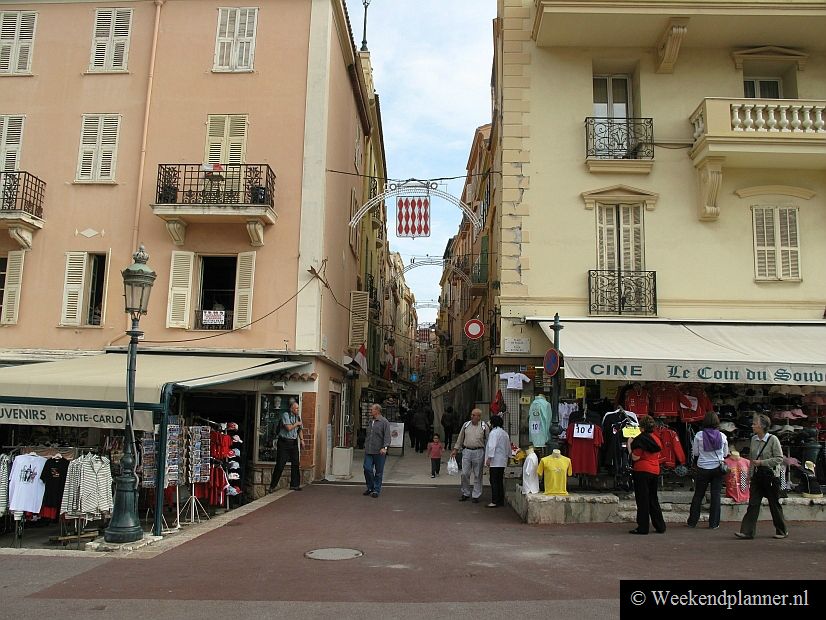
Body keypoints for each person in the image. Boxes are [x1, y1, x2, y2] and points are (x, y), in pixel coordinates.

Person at [736, 413, 789, 539]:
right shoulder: (754, 439)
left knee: (774, 504)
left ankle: (782, 530)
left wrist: (762, 463)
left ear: (762, 426)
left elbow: (779, 458)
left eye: (755, 424)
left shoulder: (773, 439)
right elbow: (752, 459)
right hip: (757, 475)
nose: (752, 426)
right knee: (753, 503)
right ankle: (747, 531)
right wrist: (749, 474)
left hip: (770, 476)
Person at [687, 411, 729, 529]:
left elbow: (695, 453)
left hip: (703, 468)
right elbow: (725, 454)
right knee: (716, 495)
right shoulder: (722, 436)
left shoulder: (699, 435)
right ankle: (714, 523)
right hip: (717, 468)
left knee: (698, 495)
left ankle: (692, 521)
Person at [628, 415, 666, 535]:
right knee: (653, 499)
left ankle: (643, 527)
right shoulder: (656, 438)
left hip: (642, 470)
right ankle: (660, 525)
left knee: (642, 500)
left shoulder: (640, 440)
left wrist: (629, 446)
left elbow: (635, 457)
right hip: (655, 469)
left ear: (642, 427)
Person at [450, 408, 489, 503]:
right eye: (471, 414)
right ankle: (465, 492)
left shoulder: (484, 426)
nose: (471, 416)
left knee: (478, 474)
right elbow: (460, 437)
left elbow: (488, 441)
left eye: (473, 415)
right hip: (466, 451)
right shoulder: (466, 425)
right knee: (464, 473)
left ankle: (476, 495)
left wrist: (488, 455)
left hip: (479, 451)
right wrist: (455, 449)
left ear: (478, 417)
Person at [269, 401, 304, 491]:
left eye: (298, 408)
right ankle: (272, 485)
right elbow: (288, 428)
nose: (297, 410)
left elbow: (299, 430)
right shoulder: (286, 415)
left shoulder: (298, 417)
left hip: (293, 442)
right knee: (280, 464)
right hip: (284, 442)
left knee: (295, 464)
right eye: (296, 408)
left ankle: (295, 485)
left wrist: (302, 440)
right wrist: (297, 424)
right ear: (291, 409)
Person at [363, 403, 391, 498]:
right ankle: (370, 486)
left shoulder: (384, 422)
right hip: (369, 450)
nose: (371, 411)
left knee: (379, 472)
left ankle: (376, 489)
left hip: (379, 451)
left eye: (372, 409)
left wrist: (385, 447)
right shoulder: (371, 421)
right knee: (367, 468)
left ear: (377, 411)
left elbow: (387, 436)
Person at [485, 414, 510, 507]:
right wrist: (508, 456)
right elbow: (508, 447)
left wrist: (489, 458)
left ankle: (494, 501)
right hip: (502, 459)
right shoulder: (504, 433)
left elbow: (492, 446)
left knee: (494, 480)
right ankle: (500, 500)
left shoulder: (494, 433)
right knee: (499, 480)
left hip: (495, 460)